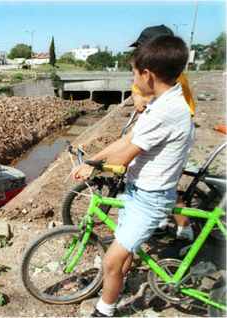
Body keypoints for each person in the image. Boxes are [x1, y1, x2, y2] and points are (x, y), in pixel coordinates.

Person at [72, 35, 193, 317]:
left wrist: (94, 168)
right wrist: (94, 158)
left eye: (134, 72)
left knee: (112, 262)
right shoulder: (164, 102)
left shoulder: (166, 111)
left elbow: (125, 156)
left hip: (149, 199)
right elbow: (130, 138)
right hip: (139, 192)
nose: (132, 78)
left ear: (147, 75)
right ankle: (117, 288)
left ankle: (105, 310)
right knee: (122, 255)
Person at [130, 25, 196, 241]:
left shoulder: (175, 83)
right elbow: (136, 88)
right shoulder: (153, 77)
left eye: (141, 48)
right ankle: (159, 219)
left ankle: (184, 227)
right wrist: (139, 98)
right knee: (162, 185)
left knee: (165, 184)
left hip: (170, 136)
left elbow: (172, 111)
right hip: (160, 131)